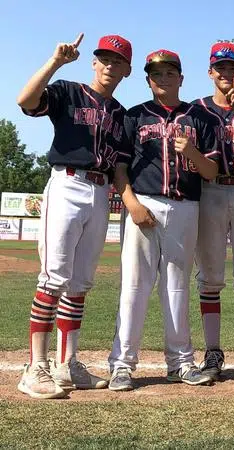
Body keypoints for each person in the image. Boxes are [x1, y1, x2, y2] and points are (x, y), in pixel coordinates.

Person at [16, 33, 132, 399]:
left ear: (127, 70)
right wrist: (54, 63)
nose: (110, 65)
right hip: (68, 183)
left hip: (101, 192)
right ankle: (35, 367)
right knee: (53, 278)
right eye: (105, 58)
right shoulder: (68, 90)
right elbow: (26, 100)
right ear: (94, 62)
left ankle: (67, 364)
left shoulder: (120, 114)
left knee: (80, 283)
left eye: (118, 61)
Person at [107, 49, 220, 391]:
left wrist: (192, 153)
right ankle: (122, 365)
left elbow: (212, 172)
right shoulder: (134, 116)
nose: (163, 78)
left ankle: (181, 362)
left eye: (170, 73)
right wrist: (131, 203)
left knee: (177, 289)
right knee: (135, 287)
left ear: (181, 79)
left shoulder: (201, 118)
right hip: (144, 203)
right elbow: (119, 167)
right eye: (156, 73)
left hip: (186, 206)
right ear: (147, 79)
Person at [192, 42, 234, 382]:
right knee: (211, 276)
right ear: (210, 72)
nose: (226, 74)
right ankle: (213, 351)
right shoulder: (196, 109)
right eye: (221, 68)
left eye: (233, 68)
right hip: (210, 189)